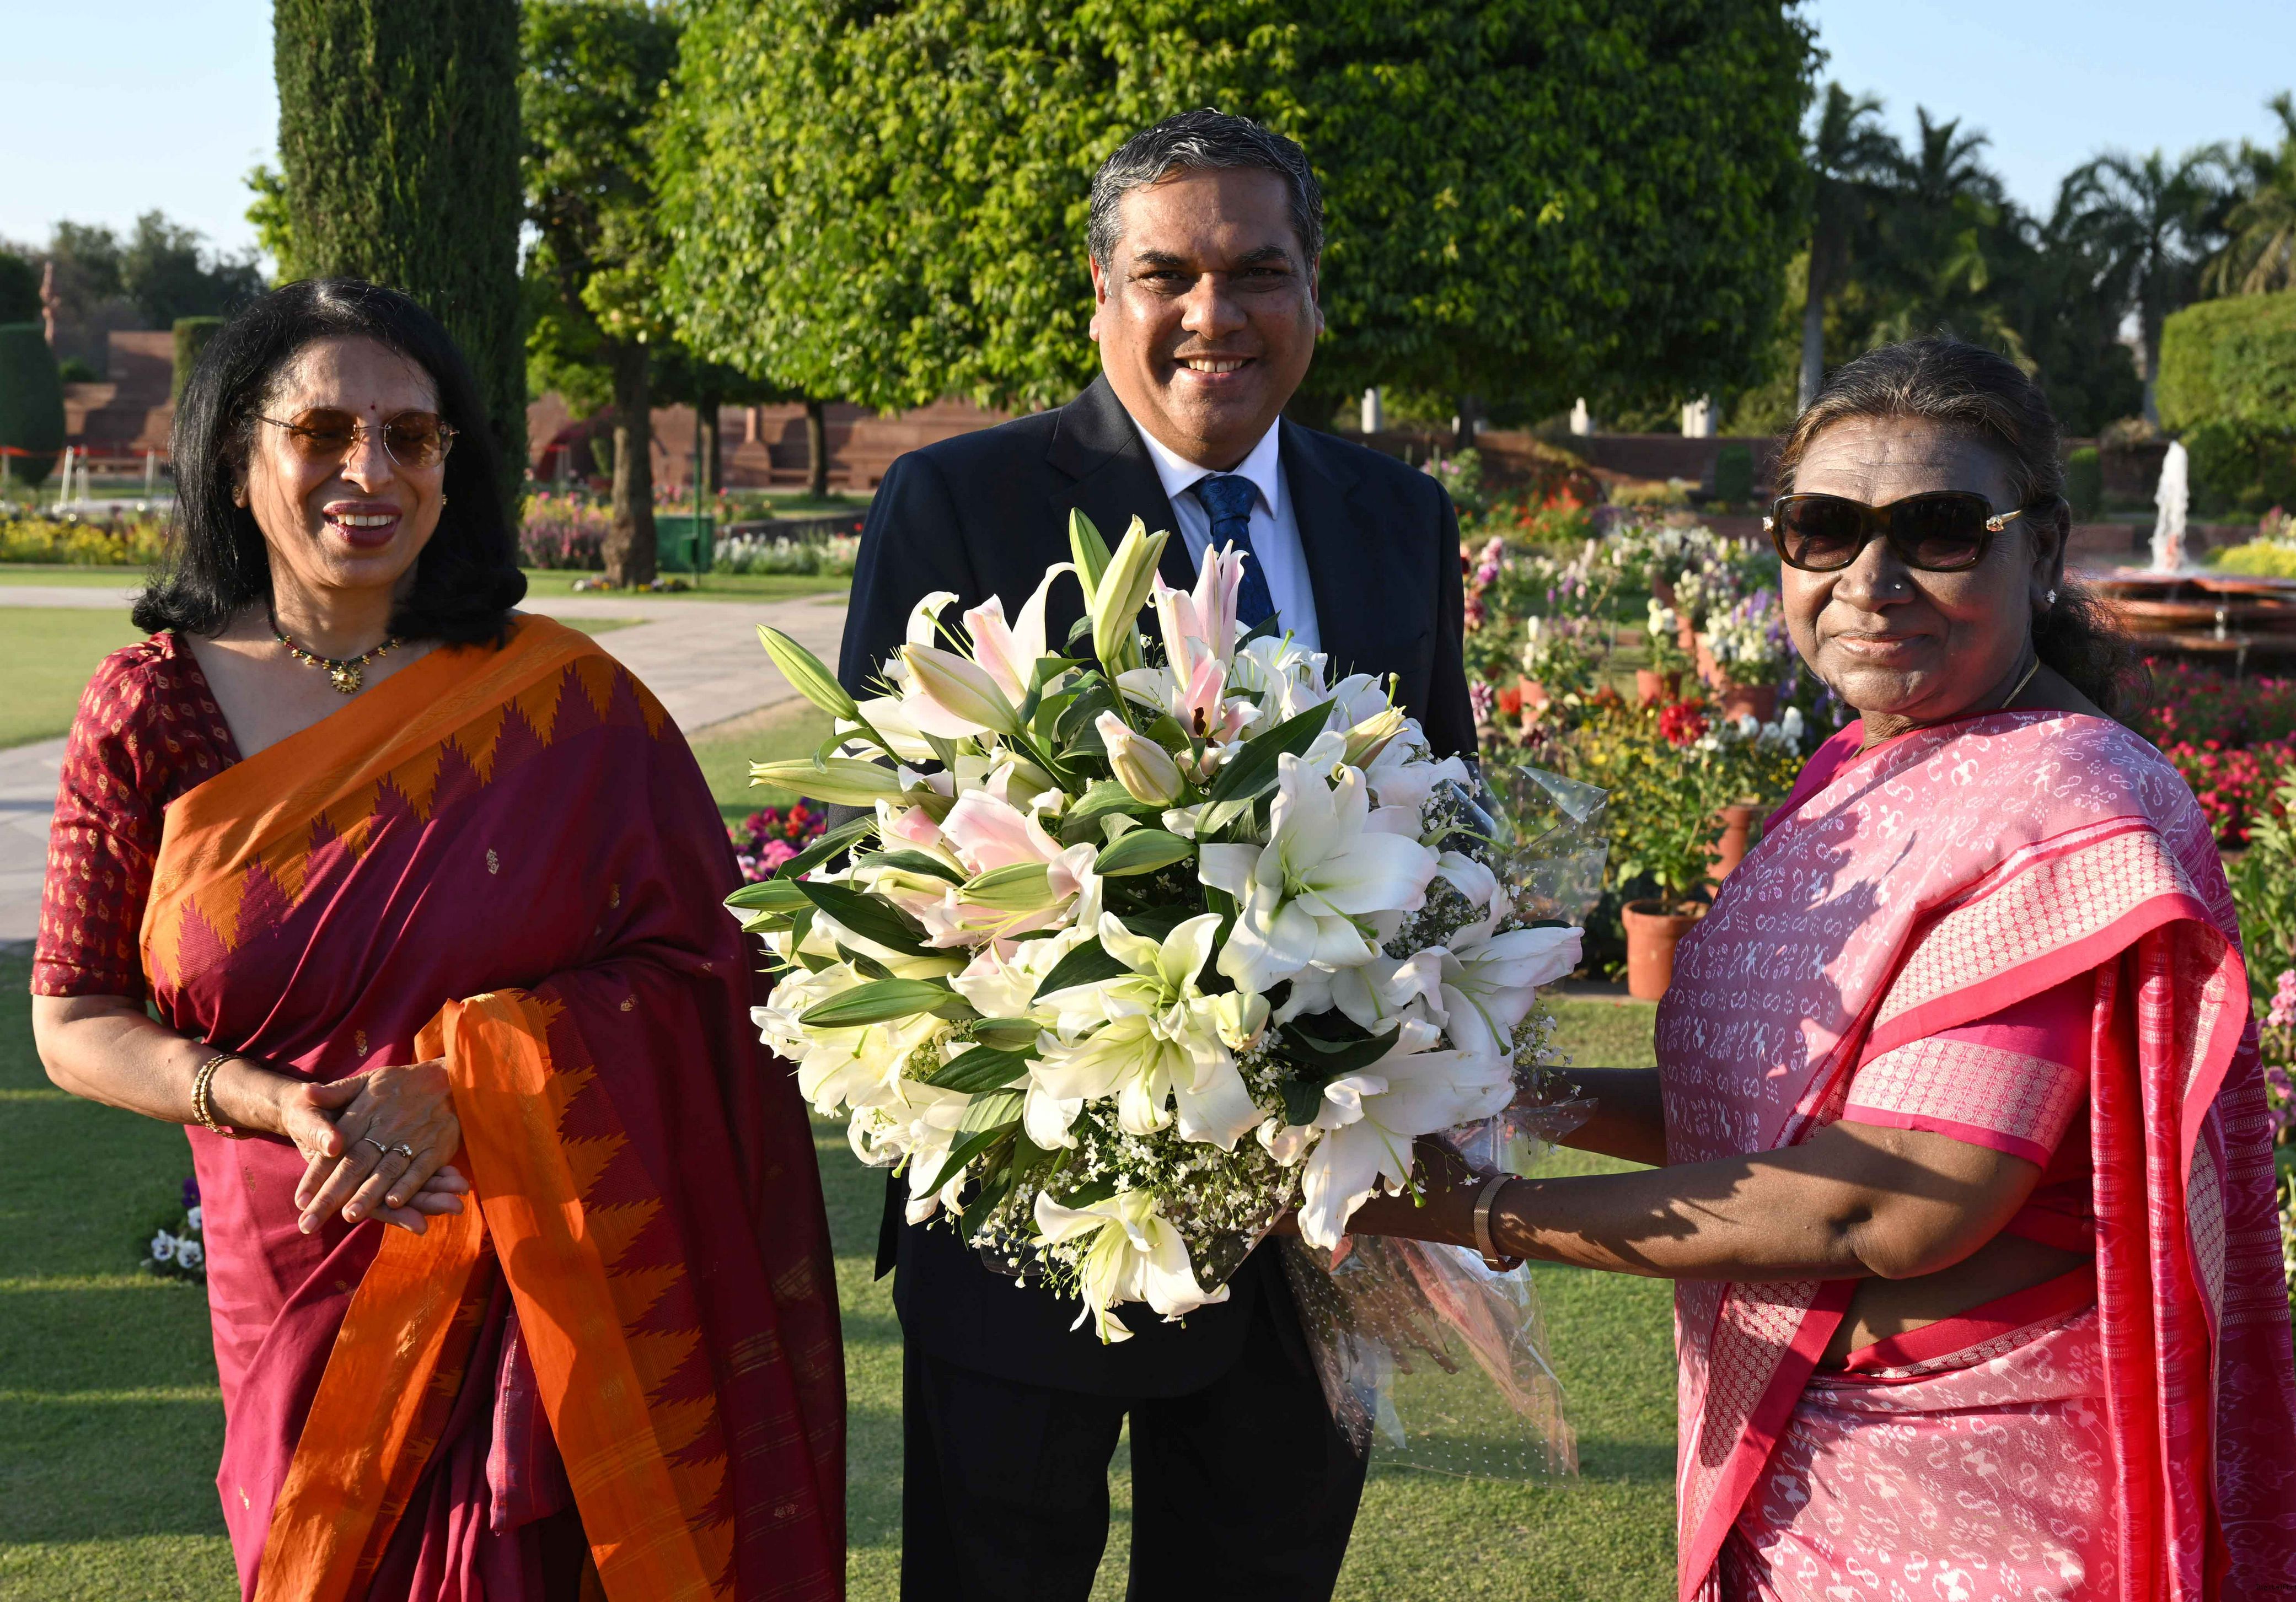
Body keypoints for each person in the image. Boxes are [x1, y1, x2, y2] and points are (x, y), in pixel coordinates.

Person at [1347, 338, 2296, 1599]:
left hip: (1972, 1499)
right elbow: (1758, 1110)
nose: (1869, 578)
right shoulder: (1854, 773)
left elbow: (1887, 1201)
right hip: (1813, 1477)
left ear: (2039, 548)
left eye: (1937, 528)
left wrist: (1469, 1212)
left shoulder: (2065, 803)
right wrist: (1448, 1091)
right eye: (1823, 527)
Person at [29, 278, 847, 1600]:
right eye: (322, 431)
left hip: (547, 1288)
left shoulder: (564, 706)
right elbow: (72, 1018)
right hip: (293, 1271)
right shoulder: (151, 709)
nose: (370, 471)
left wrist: (474, 1085)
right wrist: (273, 1103)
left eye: (410, 436)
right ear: (235, 459)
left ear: (449, 465)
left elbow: (702, 974)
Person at [836, 109, 1475, 1600]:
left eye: (1256, 272)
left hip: (1310, 1239)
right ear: (1101, 293)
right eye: (1165, 275)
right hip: (1037, 1207)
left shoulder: (1401, 517)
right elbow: (892, 835)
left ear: (1312, 289)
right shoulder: (962, 501)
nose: (1212, 314)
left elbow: (1446, 816)